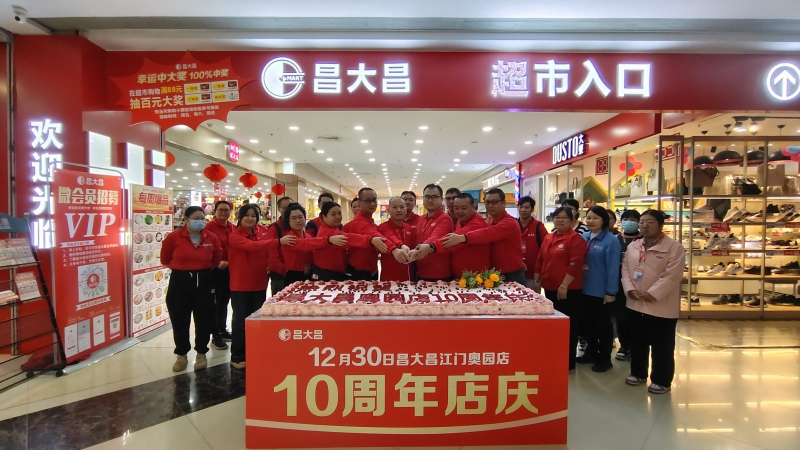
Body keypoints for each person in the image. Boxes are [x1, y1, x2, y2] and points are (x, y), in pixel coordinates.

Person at [621, 209, 685, 394]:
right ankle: (638, 373)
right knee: (637, 341)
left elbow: (672, 275)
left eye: (650, 222)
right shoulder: (634, 246)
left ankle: (661, 380)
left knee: (662, 344)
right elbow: (626, 269)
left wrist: (653, 293)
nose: (644, 226)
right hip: (635, 301)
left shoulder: (674, 247)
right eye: (642, 222)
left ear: (660, 225)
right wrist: (629, 289)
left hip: (661, 304)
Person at [227, 204, 295, 370]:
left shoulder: (262, 232)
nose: (250, 219)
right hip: (240, 284)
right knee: (240, 321)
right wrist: (277, 241)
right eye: (247, 215)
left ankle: (254, 351)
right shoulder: (235, 236)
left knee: (256, 320)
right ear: (240, 217)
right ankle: (237, 355)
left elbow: (267, 251)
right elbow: (252, 246)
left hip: (259, 283)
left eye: (254, 216)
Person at [160, 206, 221, 372]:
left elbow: (216, 258)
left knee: (204, 318)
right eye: (195, 218)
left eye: (202, 218)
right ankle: (181, 354)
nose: (200, 221)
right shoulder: (174, 237)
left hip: (205, 279)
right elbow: (165, 258)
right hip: (180, 280)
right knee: (180, 319)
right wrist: (183, 270)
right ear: (186, 219)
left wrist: (201, 270)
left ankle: (201, 352)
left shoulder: (211, 237)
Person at [532, 206, 586, 373]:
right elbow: (540, 257)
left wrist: (564, 285)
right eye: (557, 217)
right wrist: (537, 276)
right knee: (554, 324)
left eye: (564, 217)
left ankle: (569, 362)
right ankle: (554, 356)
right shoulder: (549, 237)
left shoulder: (575, 239)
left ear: (572, 221)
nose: (560, 220)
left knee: (569, 325)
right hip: (549, 287)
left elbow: (575, 264)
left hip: (568, 290)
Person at [440, 188, 526, 284]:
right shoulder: (490, 222)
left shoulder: (509, 222)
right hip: (494, 274)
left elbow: (487, 233)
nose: (490, 206)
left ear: (504, 203)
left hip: (511, 273)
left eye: (494, 202)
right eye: (487, 202)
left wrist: (463, 238)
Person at [576, 205, 621, 373]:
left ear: (604, 220)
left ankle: (605, 358)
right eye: (588, 217)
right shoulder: (584, 237)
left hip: (601, 292)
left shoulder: (611, 240)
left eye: (596, 218)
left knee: (603, 326)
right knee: (588, 325)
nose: (591, 221)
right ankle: (591, 352)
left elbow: (613, 268)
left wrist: (610, 292)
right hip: (584, 289)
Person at [414, 193, 489, 277]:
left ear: (474, 206)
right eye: (456, 208)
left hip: (475, 276)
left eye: (464, 208)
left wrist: (430, 246)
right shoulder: (460, 221)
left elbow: (451, 240)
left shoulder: (477, 223)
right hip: (460, 274)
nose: (460, 211)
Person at [312, 201, 388, 281]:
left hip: (340, 271)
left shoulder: (335, 229)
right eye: (333, 214)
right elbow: (349, 238)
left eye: (339, 213)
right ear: (324, 216)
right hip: (327, 273)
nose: (338, 217)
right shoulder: (328, 231)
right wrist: (371, 240)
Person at [282, 203, 348, 284]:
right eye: (293, 218)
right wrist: (328, 240)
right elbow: (306, 244)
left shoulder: (308, 236)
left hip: (309, 273)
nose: (298, 221)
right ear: (288, 220)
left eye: (300, 217)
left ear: (305, 218)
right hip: (294, 275)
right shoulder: (288, 238)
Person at [342, 188, 393, 280]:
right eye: (368, 201)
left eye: (374, 200)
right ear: (360, 203)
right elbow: (374, 235)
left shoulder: (372, 223)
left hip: (372, 270)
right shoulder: (357, 222)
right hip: (358, 271)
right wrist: (394, 249)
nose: (372, 204)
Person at [204, 200, 234, 350]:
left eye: (226, 210)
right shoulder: (209, 228)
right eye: (220, 209)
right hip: (215, 270)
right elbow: (206, 248)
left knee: (224, 301)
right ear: (214, 211)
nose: (223, 212)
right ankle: (215, 335)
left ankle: (222, 330)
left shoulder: (232, 227)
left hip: (230, 269)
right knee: (214, 303)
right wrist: (217, 262)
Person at [614, 209, 642, 361]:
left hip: (639, 284)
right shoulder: (616, 239)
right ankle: (624, 346)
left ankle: (635, 346)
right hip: (619, 284)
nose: (629, 222)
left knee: (636, 318)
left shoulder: (643, 240)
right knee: (621, 317)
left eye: (633, 219)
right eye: (626, 219)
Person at [414, 184, 455, 281]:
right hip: (421, 272)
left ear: (441, 199)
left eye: (434, 197)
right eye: (427, 197)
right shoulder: (421, 219)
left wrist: (418, 250)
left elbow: (436, 237)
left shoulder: (445, 219)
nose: (430, 200)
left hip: (440, 274)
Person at [377, 197, 416, 281]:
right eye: (394, 207)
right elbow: (390, 237)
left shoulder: (409, 228)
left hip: (409, 277)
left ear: (406, 210)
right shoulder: (382, 227)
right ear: (388, 210)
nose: (398, 210)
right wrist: (401, 245)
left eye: (402, 207)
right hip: (389, 278)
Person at [518, 196, 549, 289]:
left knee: (533, 298)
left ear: (532, 209)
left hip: (533, 275)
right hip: (515, 273)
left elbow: (546, 249)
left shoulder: (539, 226)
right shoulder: (513, 225)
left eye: (527, 207)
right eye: (521, 207)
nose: (523, 210)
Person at [267, 196, 293, 296]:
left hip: (295, 273)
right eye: (284, 208)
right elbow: (272, 254)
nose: (288, 210)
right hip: (281, 276)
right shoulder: (274, 228)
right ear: (279, 209)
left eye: (290, 206)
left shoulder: (295, 226)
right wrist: (284, 270)